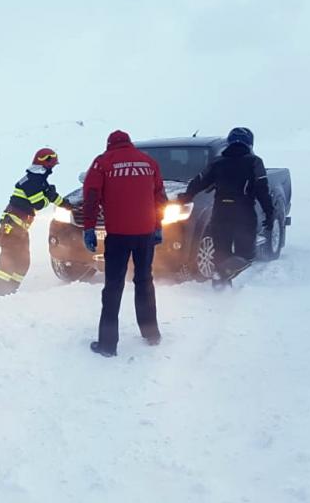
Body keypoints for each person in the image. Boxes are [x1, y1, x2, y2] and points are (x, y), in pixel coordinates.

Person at [82, 131, 166, 356]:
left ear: (110, 145)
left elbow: (91, 196)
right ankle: (151, 334)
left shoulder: (103, 163)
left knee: (113, 286)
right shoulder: (148, 162)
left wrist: (89, 227)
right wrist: (158, 225)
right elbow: (159, 196)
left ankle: (108, 345)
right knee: (144, 281)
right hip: (145, 233)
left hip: (118, 235)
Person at [178, 127, 274, 286]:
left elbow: (198, 181)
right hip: (244, 215)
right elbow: (262, 189)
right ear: (250, 144)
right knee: (246, 256)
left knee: (221, 254)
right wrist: (269, 213)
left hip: (220, 214)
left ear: (228, 143)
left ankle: (220, 288)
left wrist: (186, 197)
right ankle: (222, 275)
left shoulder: (217, 162)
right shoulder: (254, 162)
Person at [0, 148, 67, 296]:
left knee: (23, 261)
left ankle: (10, 291)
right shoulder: (32, 181)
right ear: (45, 164)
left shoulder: (39, 179)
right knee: (9, 257)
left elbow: (53, 196)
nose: (52, 169)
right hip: (13, 224)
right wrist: (49, 197)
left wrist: (67, 204)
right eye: (52, 165)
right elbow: (39, 203)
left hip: (20, 227)